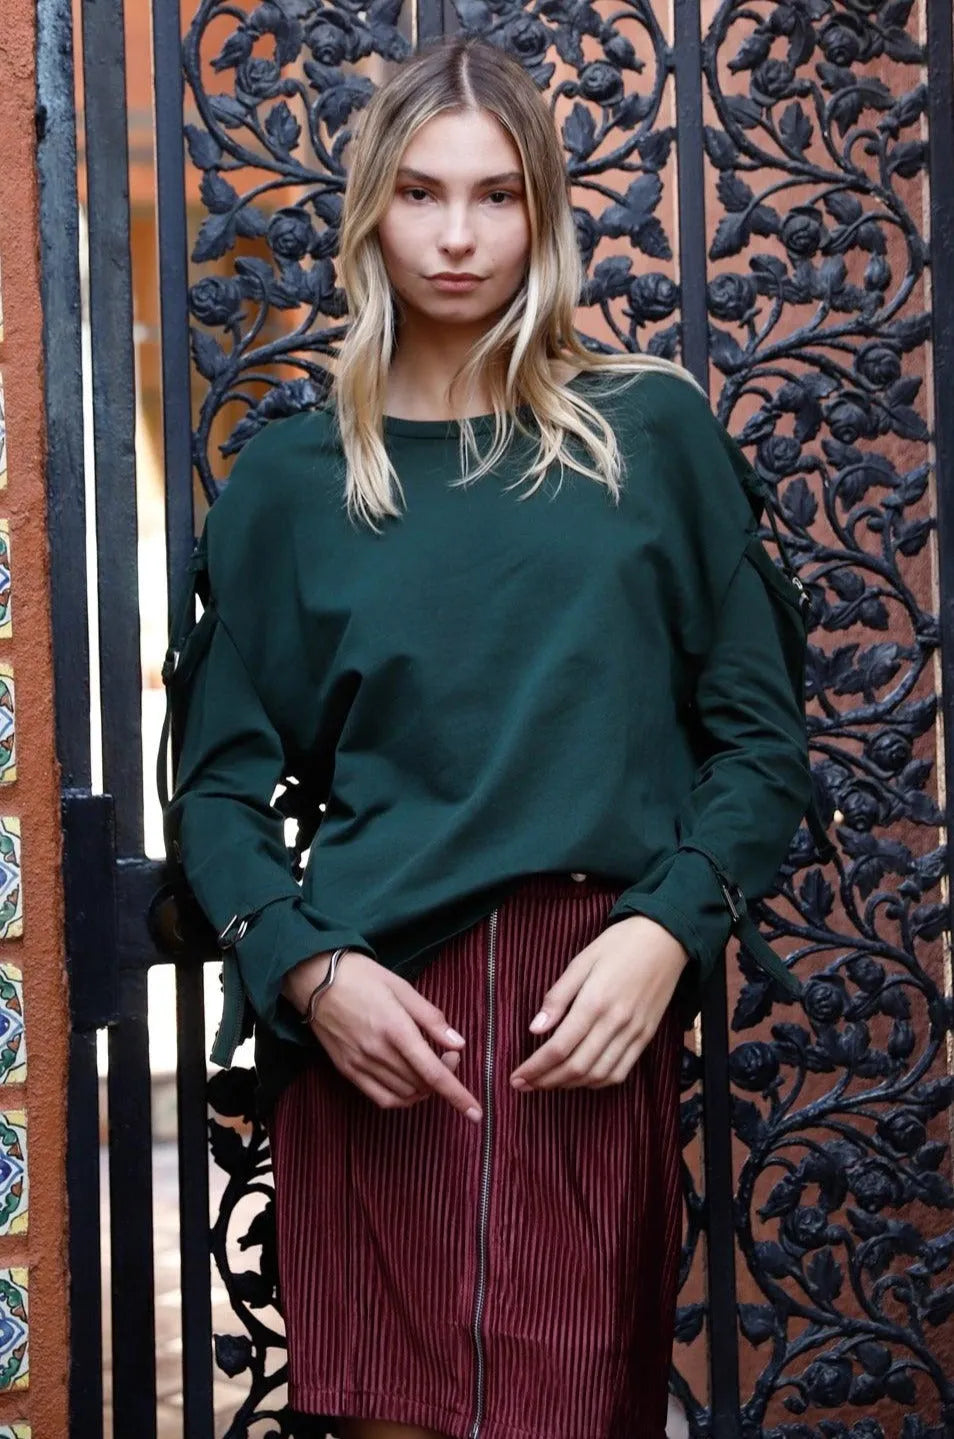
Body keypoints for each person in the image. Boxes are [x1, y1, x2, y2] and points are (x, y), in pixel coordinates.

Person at [166, 35, 813, 1439]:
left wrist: (666, 931)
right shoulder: (287, 484)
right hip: (373, 1030)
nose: (456, 237)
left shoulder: (649, 437)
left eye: (496, 195)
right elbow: (215, 793)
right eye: (418, 193)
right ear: (369, 215)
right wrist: (308, 970)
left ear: (544, 215)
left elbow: (761, 750)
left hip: (580, 1020)